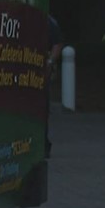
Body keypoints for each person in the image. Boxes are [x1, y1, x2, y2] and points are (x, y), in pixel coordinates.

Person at [46, 14, 63, 158]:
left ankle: (44, 143)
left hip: (42, 70)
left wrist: (50, 62)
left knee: (43, 107)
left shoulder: (49, 22)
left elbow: (57, 44)